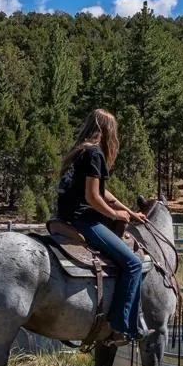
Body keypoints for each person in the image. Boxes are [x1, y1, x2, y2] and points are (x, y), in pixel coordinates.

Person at [54, 109, 146, 339]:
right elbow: (93, 197)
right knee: (133, 265)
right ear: (107, 131)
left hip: (63, 217)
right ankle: (120, 326)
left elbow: (104, 193)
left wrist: (129, 212)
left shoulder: (81, 151)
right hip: (83, 220)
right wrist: (115, 216)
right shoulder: (96, 154)